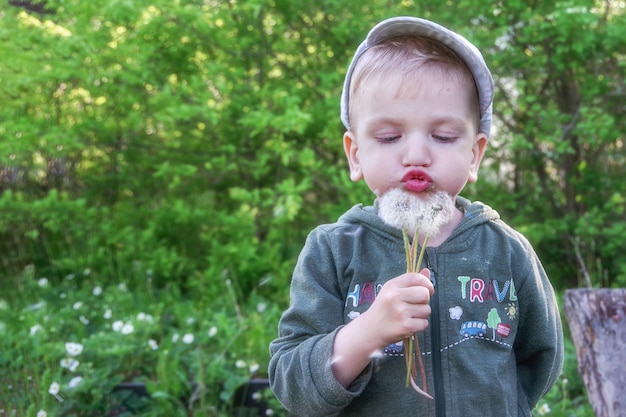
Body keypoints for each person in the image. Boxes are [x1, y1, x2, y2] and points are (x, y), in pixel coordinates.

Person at [268, 16, 564, 417]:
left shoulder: (506, 251)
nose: (416, 154)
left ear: (475, 154)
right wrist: (368, 331)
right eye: (390, 137)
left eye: (443, 137)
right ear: (355, 154)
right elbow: (292, 382)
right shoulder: (334, 250)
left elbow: (541, 357)